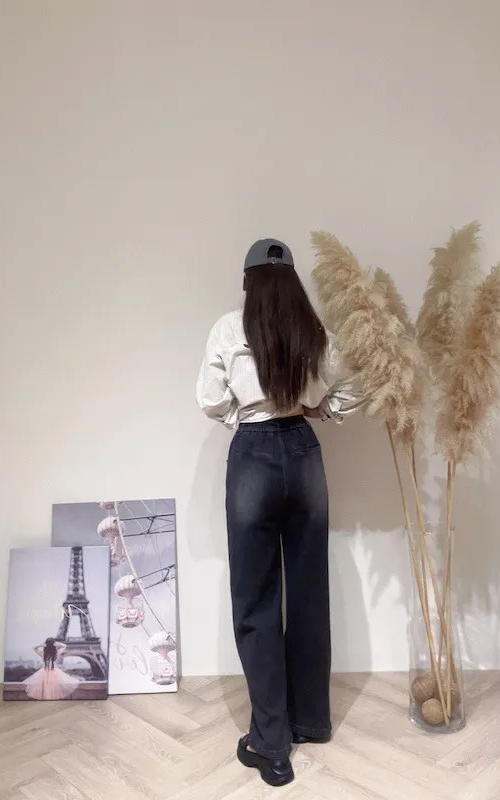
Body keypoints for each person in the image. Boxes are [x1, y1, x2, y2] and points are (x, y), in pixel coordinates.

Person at [196, 239, 366, 787]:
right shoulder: (314, 332)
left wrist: (245, 418)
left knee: (256, 599)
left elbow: (211, 399)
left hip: (253, 456)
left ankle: (271, 744)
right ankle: (310, 721)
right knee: (308, 592)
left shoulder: (228, 328)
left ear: (248, 282)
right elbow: (354, 388)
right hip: (303, 452)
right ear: (292, 281)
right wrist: (317, 408)